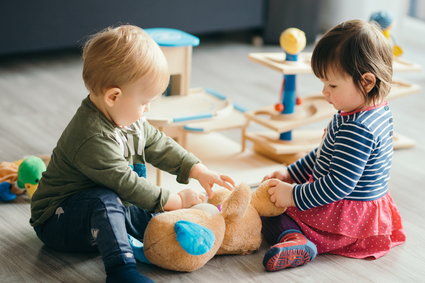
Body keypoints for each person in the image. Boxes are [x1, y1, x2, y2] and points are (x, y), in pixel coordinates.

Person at [30, 25, 235, 283]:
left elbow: (157, 143)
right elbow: (126, 186)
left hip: (106, 206)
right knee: (109, 199)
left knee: (146, 212)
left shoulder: (128, 120)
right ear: (114, 96)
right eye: (144, 102)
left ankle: (188, 239)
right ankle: (121, 271)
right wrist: (177, 200)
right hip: (58, 221)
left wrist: (196, 169)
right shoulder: (92, 136)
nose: (147, 109)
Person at [260, 19, 406, 271]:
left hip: (345, 215)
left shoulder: (358, 127)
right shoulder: (367, 110)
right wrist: (291, 173)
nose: (325, 92)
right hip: (362, 211)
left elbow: (338, 185)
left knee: (271, 213)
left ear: (367, 82)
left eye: (332, 85)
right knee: (275, 199)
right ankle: (298, 234)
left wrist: (293, 195)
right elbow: (325, 153)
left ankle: (297, 239)